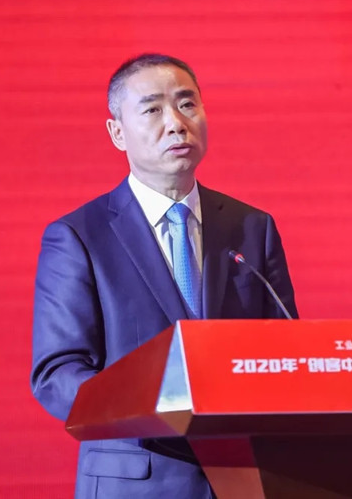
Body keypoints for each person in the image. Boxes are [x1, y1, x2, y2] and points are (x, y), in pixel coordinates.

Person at [31, 53, 298, 498]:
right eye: (152, 109)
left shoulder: (252, 227)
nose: (176, 123)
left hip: (244, 482)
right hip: (136, 482)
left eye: (187, 104)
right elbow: (56, 374)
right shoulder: (79, 236)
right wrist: (154, 400)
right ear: (117, 133)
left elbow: (284, 351)